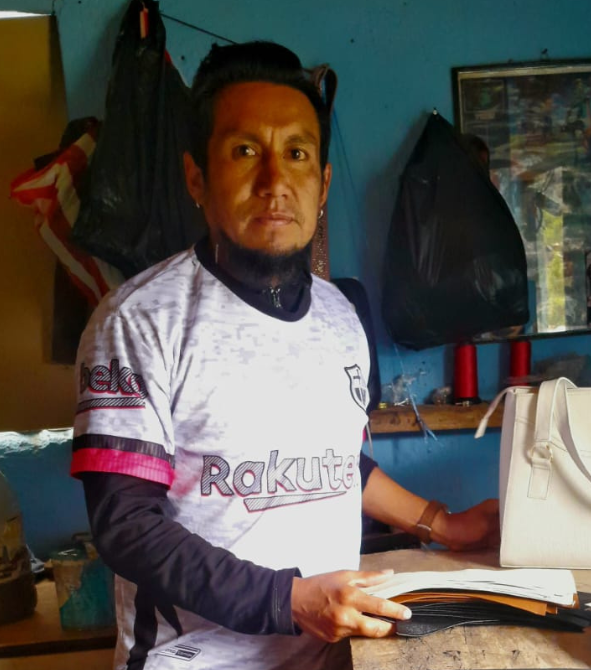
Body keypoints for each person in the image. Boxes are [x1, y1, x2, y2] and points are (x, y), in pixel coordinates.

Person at [71, 41, 499, 670]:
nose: (275, 181)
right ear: (196, 177)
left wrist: (441, 523)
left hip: (333, 656)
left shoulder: (341, 315)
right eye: (246, 152)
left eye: (297, 153)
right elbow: (126, 525)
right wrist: (290, 601)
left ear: (322, 183)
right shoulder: (139, 321)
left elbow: (333, 464)